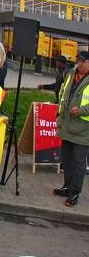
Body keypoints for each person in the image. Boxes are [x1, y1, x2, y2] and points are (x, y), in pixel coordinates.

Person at [55, 51, 89, 206]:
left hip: (83, 129)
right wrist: (60, 115)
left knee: (79, 163)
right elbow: (63, 94)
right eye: (78, 61)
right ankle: (67, 186)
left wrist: (81, 110)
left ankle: (75, 192)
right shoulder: (71, 74)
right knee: (66, 160)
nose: (80, 64)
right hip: (67, 124)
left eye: (83, 61)